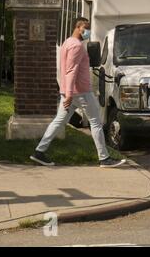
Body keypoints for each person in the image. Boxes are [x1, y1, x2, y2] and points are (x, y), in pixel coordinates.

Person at [30, 17, 126, 168]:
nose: (87, 31)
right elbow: (70, 71)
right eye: (85, 28)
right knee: (96, 123)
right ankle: (104, 158)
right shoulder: (76, 46)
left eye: (88, 28)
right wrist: (69, 94)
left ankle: (39, 152)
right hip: (80, 93)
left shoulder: (67, 43)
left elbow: (67, 70)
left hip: (69, 92)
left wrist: (66, 93)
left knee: (59, 121)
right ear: (78, 27)